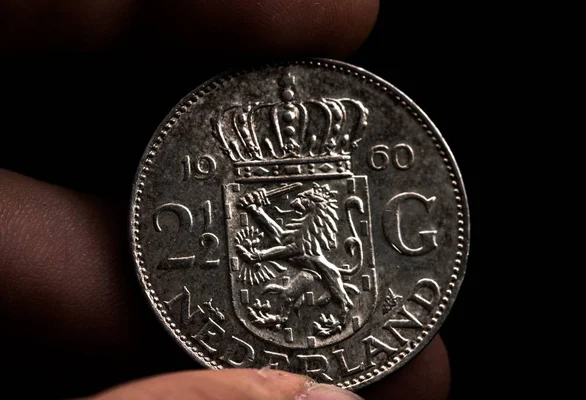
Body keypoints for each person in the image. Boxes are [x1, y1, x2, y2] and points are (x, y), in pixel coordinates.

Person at [0, 1, 450, 399]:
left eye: (305, 198)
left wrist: (260, 243)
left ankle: (334, 307)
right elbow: (289, 238)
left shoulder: (314, 228)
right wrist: (257, 215)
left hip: (311, 267)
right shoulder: (304, 220)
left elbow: (296, 248)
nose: (294, 203)